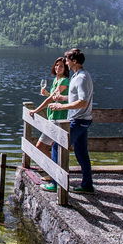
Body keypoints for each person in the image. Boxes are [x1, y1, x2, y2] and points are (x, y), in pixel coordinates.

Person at [48, 48, 94, 193]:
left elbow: (82, 102)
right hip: (82, 120)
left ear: (74, 61)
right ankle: (87, 185)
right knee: (81, 153)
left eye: (67, 60)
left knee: (57, 146)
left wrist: (61, 106)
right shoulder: (78, 75)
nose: (66, 62)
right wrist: (63, 98)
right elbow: (76, 97)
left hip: (78, 120)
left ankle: (56, 183)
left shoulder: (81, 78)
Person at [29, 57, 70, 192]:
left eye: (61, 66)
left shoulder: (64, 81)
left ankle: (54, 175)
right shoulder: (56, 80)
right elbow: (52, 96)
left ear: (66, 69)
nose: (58, 68)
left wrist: (36, 110)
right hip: (52, 117)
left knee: (40, 146)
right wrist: (47, 93)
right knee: (49, 148)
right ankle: (53, 173)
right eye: (57, 65)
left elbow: (51, 98)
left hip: (59, 119)